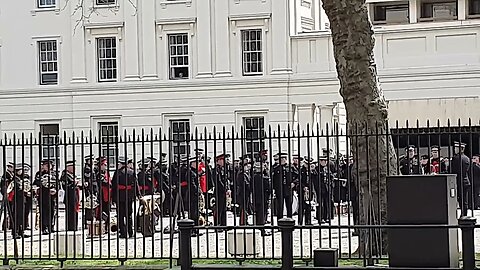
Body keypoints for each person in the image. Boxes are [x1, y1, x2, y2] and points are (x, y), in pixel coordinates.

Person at [112, 157, 139, 238]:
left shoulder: (117, 173)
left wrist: (113, 198)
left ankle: (123, 233)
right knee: (129, 215)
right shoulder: (132, 172)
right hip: (129, 196)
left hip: (120, 196)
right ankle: (130, 232)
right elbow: (135, 184)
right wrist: (137, 195)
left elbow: (114, 186)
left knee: (120, 215)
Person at [33, 160, 57, 235]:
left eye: (50, 165)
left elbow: (57, 183)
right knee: (43, 211)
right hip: (43, 195)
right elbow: (36, 183)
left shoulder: (54, 174)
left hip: (52, 195)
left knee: (52, 211)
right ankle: (44, 227)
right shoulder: (39, 174)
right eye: (46, 165)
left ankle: (51, 226)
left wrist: (55, 189)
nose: (48, 167)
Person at [272, 153, 298, 219]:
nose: (282, 160)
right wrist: (274, 189)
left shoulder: (291, 167)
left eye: (283, 159)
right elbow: (273, 180)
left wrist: (294, 183)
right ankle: (280, 221)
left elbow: (297, 176)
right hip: (279, 190)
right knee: (280, 207)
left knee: (289, 206)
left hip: (288, 189)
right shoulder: (276, 168)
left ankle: (290, 220)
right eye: (281, 159)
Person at [10, 163, 31, 239]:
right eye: (21, 170)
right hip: (16, 199)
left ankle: (21, 231)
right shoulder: (15, 178)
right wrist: (24, 191)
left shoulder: (23, 178)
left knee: (22, 216)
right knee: (16, 215)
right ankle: (15, 232)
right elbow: (15, 189)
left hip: (23, 199)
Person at [450, 142, 471, 216]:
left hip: (458, 181)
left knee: (457, 199)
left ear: (461, 149)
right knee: (464, 200)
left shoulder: (456, 158)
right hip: (465, 181)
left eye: (456, 148)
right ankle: (464, 214)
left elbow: (453, 171)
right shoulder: (467, 158)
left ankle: (458, 215)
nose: (455, 149)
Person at [60, 160, 79, 231]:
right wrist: (75, 183)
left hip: (74, 196)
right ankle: (71, 227)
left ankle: (75, 226)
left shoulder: (72, 175)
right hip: (69, 197)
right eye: (72, 167)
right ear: (68, 167)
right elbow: (66, 186)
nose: (74, 169)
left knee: (75, 212)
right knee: (70, 213)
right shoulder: (65, 175)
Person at [213, 154, 229, 227]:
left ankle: (223, 224)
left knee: (224, 208)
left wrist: (227, 188)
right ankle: (217, 224)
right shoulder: (216, 170)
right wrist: (224, 189)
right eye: (222, 160)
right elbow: (218, 181)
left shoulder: (223, 169)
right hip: (219, 191)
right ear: (218, 161)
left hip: (223, 191)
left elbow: (226, 180)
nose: (224, 162)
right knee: (219, 208)